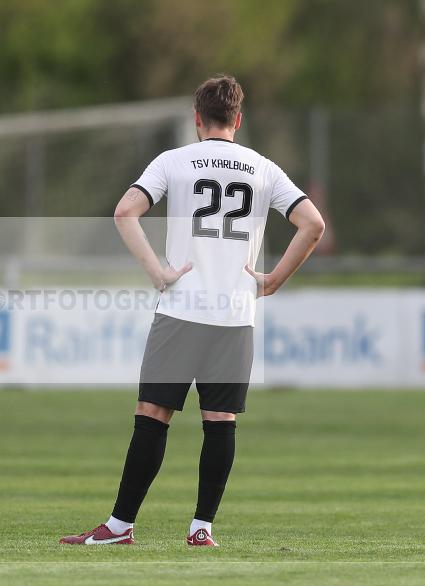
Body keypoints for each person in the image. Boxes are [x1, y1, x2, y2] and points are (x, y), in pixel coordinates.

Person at [60, 75, 325, 546]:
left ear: (197, 119)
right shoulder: (263, 168)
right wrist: (274, 280)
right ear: (238, 121)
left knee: (153, 414)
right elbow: (312, 224)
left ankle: (120, 527)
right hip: (235, 314)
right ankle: (201, 528)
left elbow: (125, 212)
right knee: (220, 421)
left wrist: (158, 272)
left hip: (182, 309)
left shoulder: (174, 161)